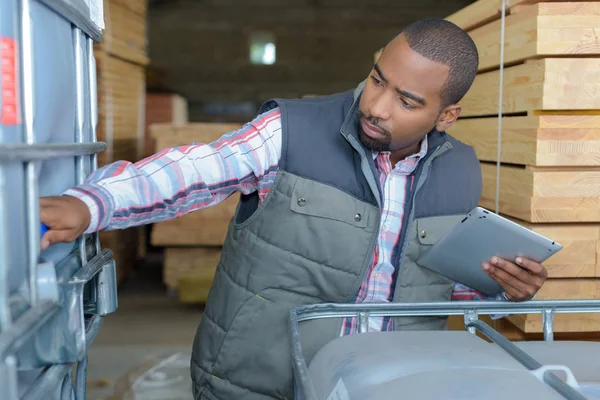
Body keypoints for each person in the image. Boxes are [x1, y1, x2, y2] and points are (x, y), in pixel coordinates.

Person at [40, 18, 548, 400]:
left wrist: (502, 285)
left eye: (407, 101)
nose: (376, 105)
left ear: (448, 116)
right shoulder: (292, 130)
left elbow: (427, 281)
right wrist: (93, 204)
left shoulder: (461, 171)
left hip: (386, 385)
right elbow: (195, 169)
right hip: (261, 385)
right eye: (377, 80)